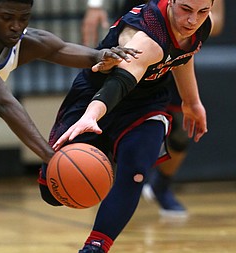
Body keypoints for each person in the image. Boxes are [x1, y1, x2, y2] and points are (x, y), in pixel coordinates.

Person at [0, 0, 142, 210]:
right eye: (7, 18)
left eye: (23, 18)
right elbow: (3, 103)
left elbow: (59, 49)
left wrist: (100, 55)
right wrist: (51, 156)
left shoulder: (24, 42)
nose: (16, 26)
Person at [38, 0, 215, 253]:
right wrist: (91, 115)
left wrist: (192, 101)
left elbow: (183, 55)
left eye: (202, 12)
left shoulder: (199, 25)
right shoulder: (147, 37)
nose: (192, 20)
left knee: (136, 171)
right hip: (97, 94)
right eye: (186, 9)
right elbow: (118, 83)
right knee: (52, 192)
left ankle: (94, 248)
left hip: (145, 104)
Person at [82, 0, 225, 218]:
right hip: (141, 45)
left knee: (183, 129)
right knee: (113, 118)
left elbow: (219, 21)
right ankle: (108, 190)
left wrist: (187, 23)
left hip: (175, 53)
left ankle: (161, 186)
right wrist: (95, 5)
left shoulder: (197, 15)